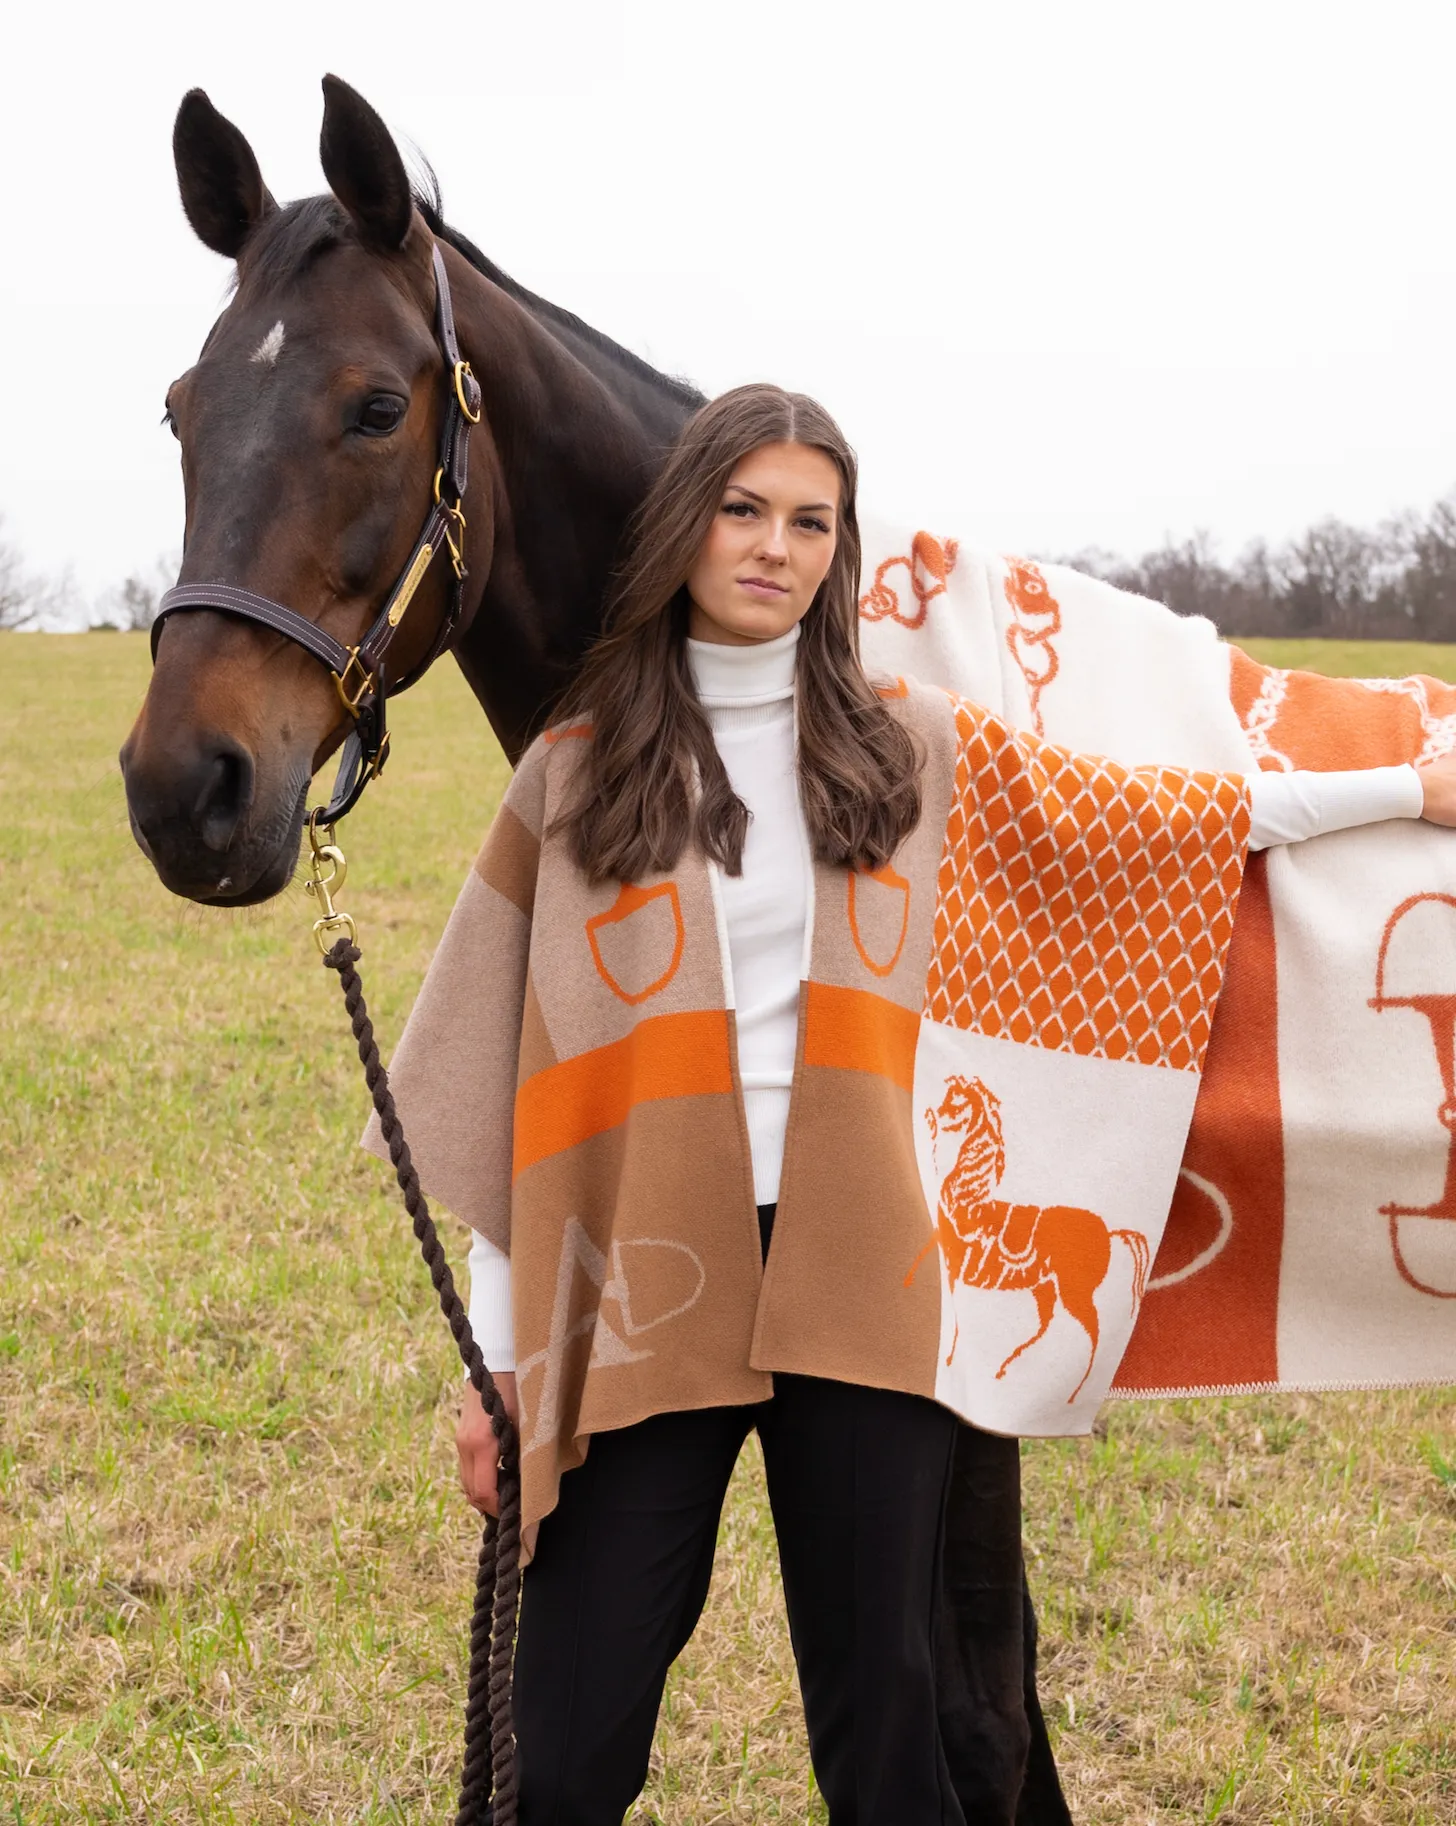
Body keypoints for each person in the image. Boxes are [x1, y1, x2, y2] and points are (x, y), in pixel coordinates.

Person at [374, 383, 1456, 1824]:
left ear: (841, 547)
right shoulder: (576, 774)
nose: (775, 545)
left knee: (893, 1730)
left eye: (811, 520)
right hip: (645, 1285)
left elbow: (1155, 816)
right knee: (565, 1742)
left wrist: (1396, 787)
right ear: (686, 526)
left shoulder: (908, 745)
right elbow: (519, 1101)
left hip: (862, 1283)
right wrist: (498, 1366)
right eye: (744, 509)